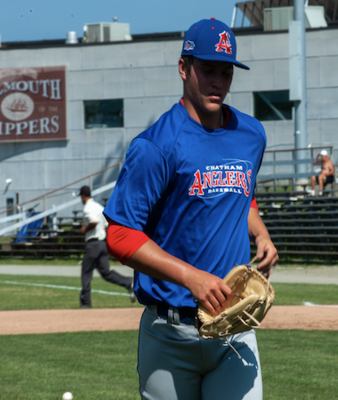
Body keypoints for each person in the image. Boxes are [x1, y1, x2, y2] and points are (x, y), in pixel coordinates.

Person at [103, 18, 278, 400]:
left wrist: (260, 233)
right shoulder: (156, 146)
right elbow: (118, 236)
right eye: (207, 69)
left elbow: (240, 193)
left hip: (234, 328)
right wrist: (191, 277)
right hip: (170, 335)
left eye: (225, 72)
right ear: (184, 68)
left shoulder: (251, 135)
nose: (218, 81)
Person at [78, 185, 135, 307]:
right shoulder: (99, 207)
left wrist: (84, 229)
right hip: (102, 244)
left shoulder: (87, 208)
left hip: (92, 244)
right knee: (106, 273)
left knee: (86, 274)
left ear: (83, 196)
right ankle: (128, 283)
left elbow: (94, 221)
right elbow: (106, 224)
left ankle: (85, 304)